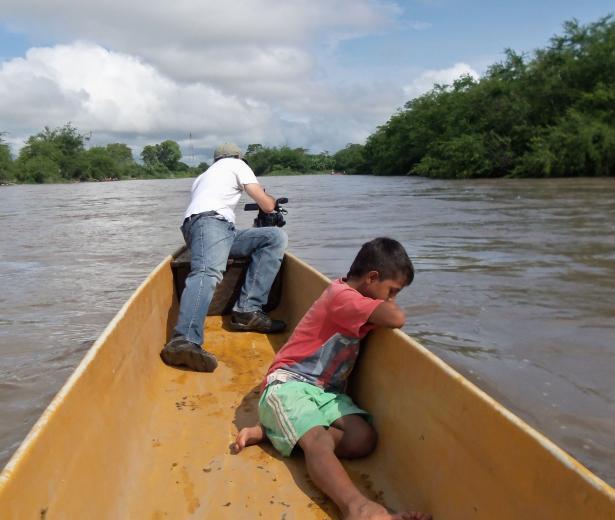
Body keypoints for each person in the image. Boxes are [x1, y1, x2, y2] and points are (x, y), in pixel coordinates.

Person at [231, 238, 431, 520]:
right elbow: (396, 318)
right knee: (319, 442)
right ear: (373, 277)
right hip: (288, 384)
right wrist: (389, 306)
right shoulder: (343, 297)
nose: (392, 300)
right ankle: (357, 508)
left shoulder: (354, 297)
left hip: (324, 392)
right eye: (392, 291)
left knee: (363, 439)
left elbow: (387, 314)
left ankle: (277, 432)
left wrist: (384, 300)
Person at [160, 143, 288, 373]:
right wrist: (269, 198)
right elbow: (267, 205)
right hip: (210, 224)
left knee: (273, 237)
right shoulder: (237, 164)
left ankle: (247, 310)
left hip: (213, 228)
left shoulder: (204, 176)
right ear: (238, 157)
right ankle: (183, 340)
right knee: (207, 272)